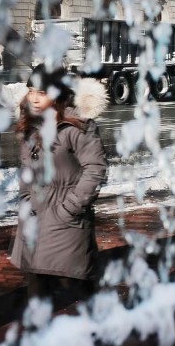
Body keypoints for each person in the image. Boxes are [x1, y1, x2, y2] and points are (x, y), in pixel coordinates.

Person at [10, 65, 108, 308]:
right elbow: (27, 170)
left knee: (73, 281)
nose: (33, 97)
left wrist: (69, 208)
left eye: (41, 92)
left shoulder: (76, 126)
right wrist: (25, 198)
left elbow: (96, 169)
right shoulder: (30, 125)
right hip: (35, 216)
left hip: (65, 218)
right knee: (36, 283)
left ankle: (102, 327)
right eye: (31, 90)